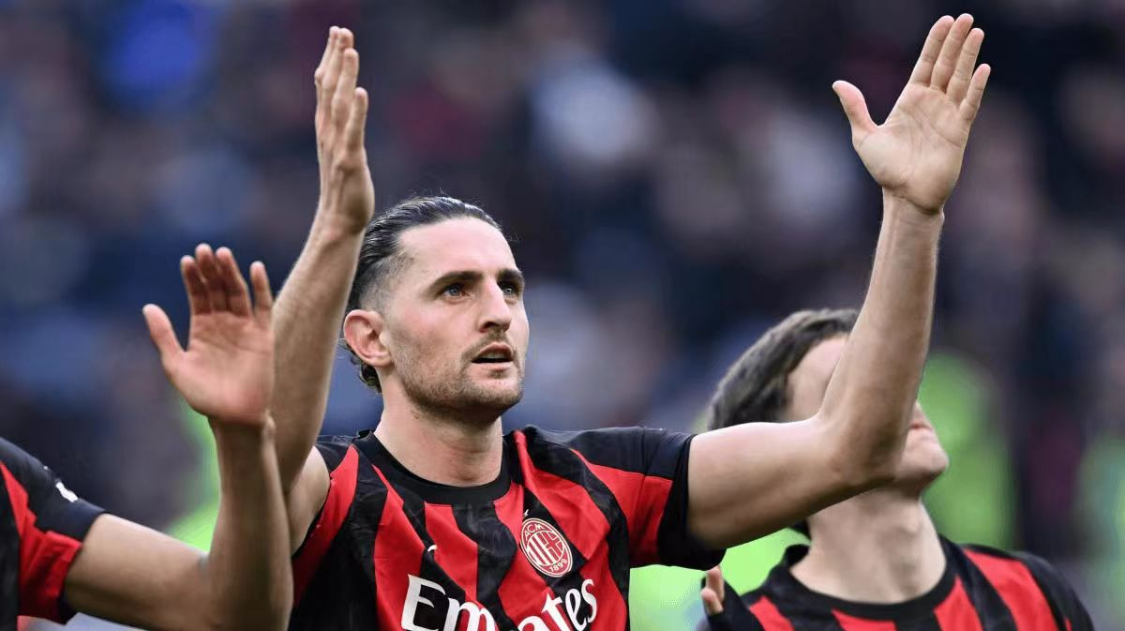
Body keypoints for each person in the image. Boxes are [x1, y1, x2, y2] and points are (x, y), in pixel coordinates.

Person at [270, 15, 990, 630]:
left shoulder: (602, 480)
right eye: (454, 290)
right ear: (371, 338)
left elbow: (854, 448)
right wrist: (336, 232)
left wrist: (912, 210)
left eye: (509, 288)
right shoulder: (333, 495)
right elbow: (265, 451)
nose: (496, 312)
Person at [698, 309, 1093, 631]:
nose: (897, 399)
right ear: (784, 470)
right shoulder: (758, 626)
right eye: (851, 388)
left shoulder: (1034, 594)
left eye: (895, 377)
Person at [2, 249, 292, 631]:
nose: (125, 376)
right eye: (116, 360)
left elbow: (231, 605)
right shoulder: (88, 434)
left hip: (200, 561)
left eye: (134, 357)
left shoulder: (219, 416)